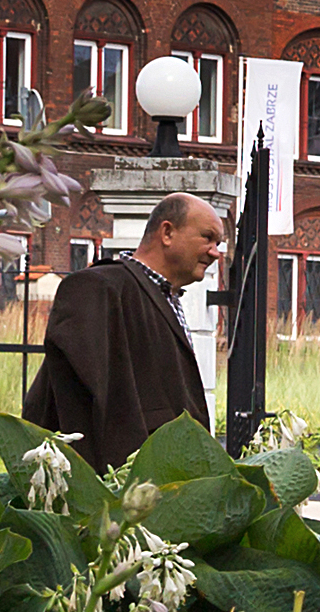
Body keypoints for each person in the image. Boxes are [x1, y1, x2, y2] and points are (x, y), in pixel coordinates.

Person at [22, 193, 222, 469]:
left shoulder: (166, 298)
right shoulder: (98, 288)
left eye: (218, 243)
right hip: (121, 489)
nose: (215, 252)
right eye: (207, 238)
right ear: (167, 233)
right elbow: (85, 402)